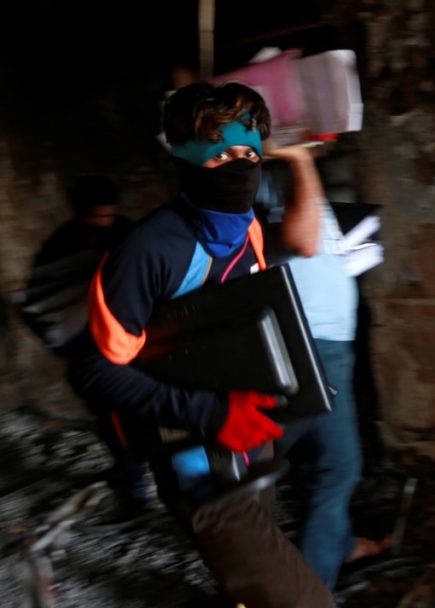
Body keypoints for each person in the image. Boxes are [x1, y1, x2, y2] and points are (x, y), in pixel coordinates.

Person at [67, 81, 333, 607]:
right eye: (222, 155)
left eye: (250, 153)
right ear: (187, 161)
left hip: (249, 445)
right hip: (198, 468)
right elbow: (93, 370)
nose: (241, 166)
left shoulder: (249, 229)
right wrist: (210, 413)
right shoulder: (147, 250)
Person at [256, 146, 389, 591]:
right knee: (309, 468)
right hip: (307, 342)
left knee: (332, 465)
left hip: (325, 341)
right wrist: (300, 158)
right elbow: (303, 240)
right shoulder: (273, 173)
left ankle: (334, 550)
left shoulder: (286, 176)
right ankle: (298, 590)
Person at [17, 175, 145, 514]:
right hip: (88, 348)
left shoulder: (127, 235)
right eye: (95, 216)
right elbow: (43, 297)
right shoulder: (60, 247)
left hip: (130, 339)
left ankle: (137, 480)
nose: (103, 223)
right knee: (110, 418)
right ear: (78, 213)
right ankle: (133, 489)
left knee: (133, 416)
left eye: (108, 215)